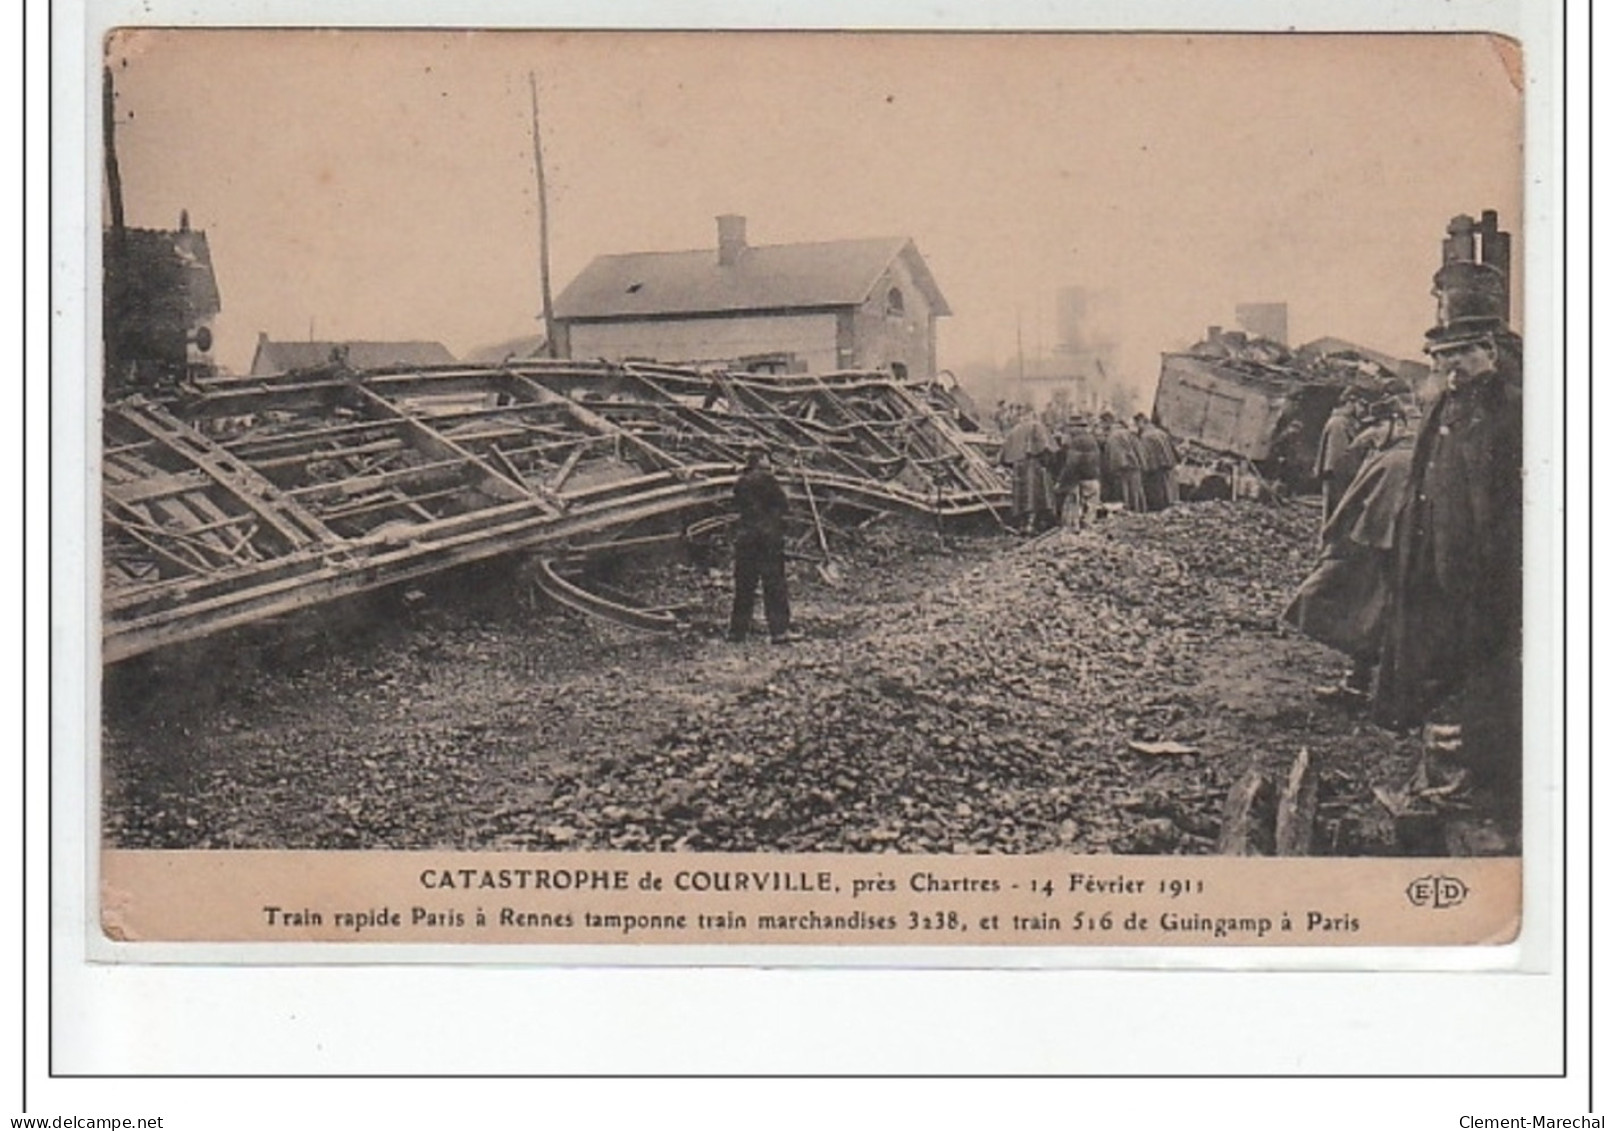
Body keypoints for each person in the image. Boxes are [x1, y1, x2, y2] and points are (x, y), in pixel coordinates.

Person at [1373, 320, 1522, 808]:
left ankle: (1478, 776)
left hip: (1486, 570)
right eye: (1441, 356)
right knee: (1441, 662)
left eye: (1459, 354)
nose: (1448, 366)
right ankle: (1450, 763)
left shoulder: (1512, 408)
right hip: (1432, 560)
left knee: (1484, 667)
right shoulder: (1444, 402)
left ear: (1489, 351)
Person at [727, 449, 799, 645]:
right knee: (774, 585)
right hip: (768, 540)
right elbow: (784, 505)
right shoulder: (768, 480)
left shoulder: (741, 482)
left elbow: (735, 507)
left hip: (746, 539)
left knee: (744, 587)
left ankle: (737, 632)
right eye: (767, 457)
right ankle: (779, 632)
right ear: (761, 460)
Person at [1000, 408, 1056, 533]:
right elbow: (1045, 446)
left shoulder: (1014, 430)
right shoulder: (1036, 426)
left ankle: (1022, 524)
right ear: (1032, 414)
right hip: (1032, 465)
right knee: (1034, 496)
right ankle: (1031, 524)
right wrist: (1047, 461)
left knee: (1020, 497)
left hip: (1017, 466)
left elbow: (1003, 454)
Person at [1314, 394, 1361, 523]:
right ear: (1349, 403)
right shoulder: (1339, 423)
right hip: (1338, 476)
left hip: (1340, 475)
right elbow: (1338, 458)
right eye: (1360, 404)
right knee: (1335, 514)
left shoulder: (1346, 421)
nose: (1362, 409)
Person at [1057, 417, 1103, 530]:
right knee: (1090, 513)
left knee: (1073, 516)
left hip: (1080, 481)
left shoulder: (1076, 442)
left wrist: (1061, 481)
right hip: (1093, 479)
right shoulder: (1091, 439)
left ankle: (1074, 537)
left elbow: (1071, 464)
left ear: (1075, 428)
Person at [1100, 412, 1146, 513]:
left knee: (1125, 498)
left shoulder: (1112, 437)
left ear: (1107, 422)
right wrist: (1142, 465)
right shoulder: (1129, 433)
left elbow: (1112, 458)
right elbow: (1140, 451)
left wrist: (1109, 472)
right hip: (1135, 469)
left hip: (1122, 471)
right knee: (1136, 495)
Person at [1135, 414, 1180, 510]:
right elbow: (1173, 451)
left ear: (1142, 422)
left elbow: (1146, 455)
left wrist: (1144, 469)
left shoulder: (1146, 436)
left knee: (1158, 494)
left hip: (1156, 469)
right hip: (1168, 467)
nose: (1137, 427)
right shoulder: (1162, 433)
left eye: (1137, 424)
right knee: (1169, 492)